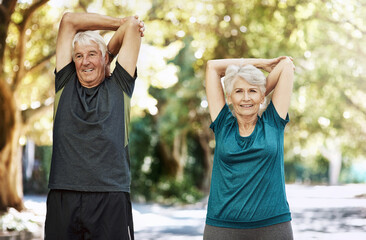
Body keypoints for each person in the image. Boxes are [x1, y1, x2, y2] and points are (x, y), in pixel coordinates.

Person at [45, 12, 145, 240]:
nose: (85, 61)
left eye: (92, 54)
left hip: (110, 197)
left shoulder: (120, 86)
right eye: (78, 56)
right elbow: (69, 21)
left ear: (105, 58)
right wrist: (117, 23)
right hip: (64, 195)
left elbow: (131, 26)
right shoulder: (65, 82)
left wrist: (109, 51)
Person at [204, 56, 295, 240]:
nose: (246, 97)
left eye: (252, 91)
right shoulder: (223, 125)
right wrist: (261, 64)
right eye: (238, 91)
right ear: (229, 96)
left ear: (263, 95)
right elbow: (212, 67)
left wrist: (255, 92)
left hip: (273, 226)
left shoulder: (273, 122)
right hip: (223, 227)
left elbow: (286, 65)